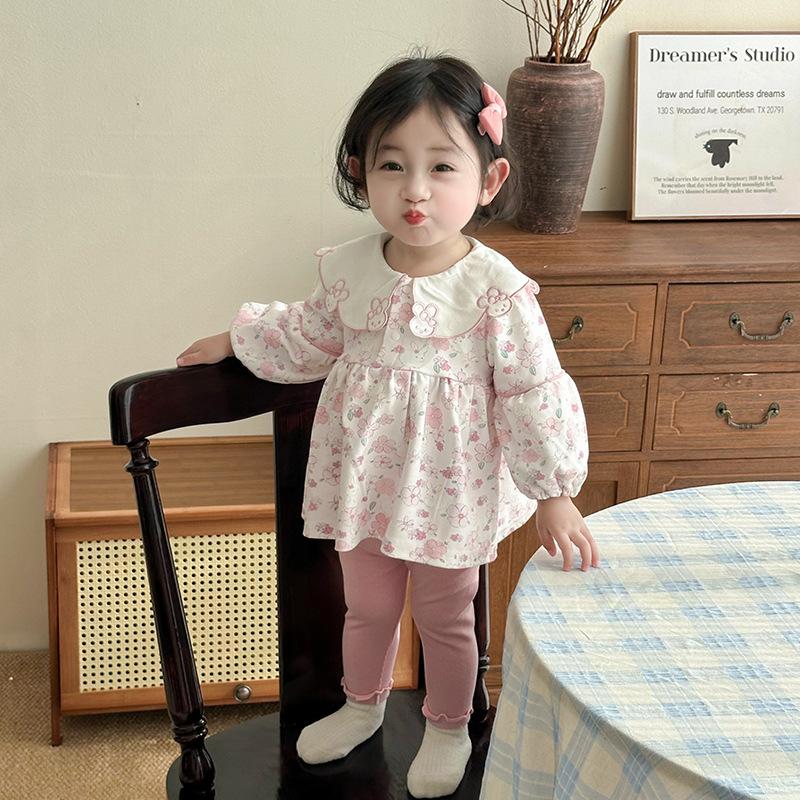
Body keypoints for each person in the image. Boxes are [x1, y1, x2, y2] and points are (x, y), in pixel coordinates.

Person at [176, 51, 599, 799]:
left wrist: (555, 492)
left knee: (446, 616)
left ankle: (448, 724)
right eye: (392, 165)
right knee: (366, 607)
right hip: (365, 479)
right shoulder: (350, 270)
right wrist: (237, 340)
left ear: (489, 179)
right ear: (360, 172)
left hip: (450, 490)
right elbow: (309, 334)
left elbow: (531, 390)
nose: (415, 189)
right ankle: (361, 705)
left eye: (442, 167)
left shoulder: (496, 290)